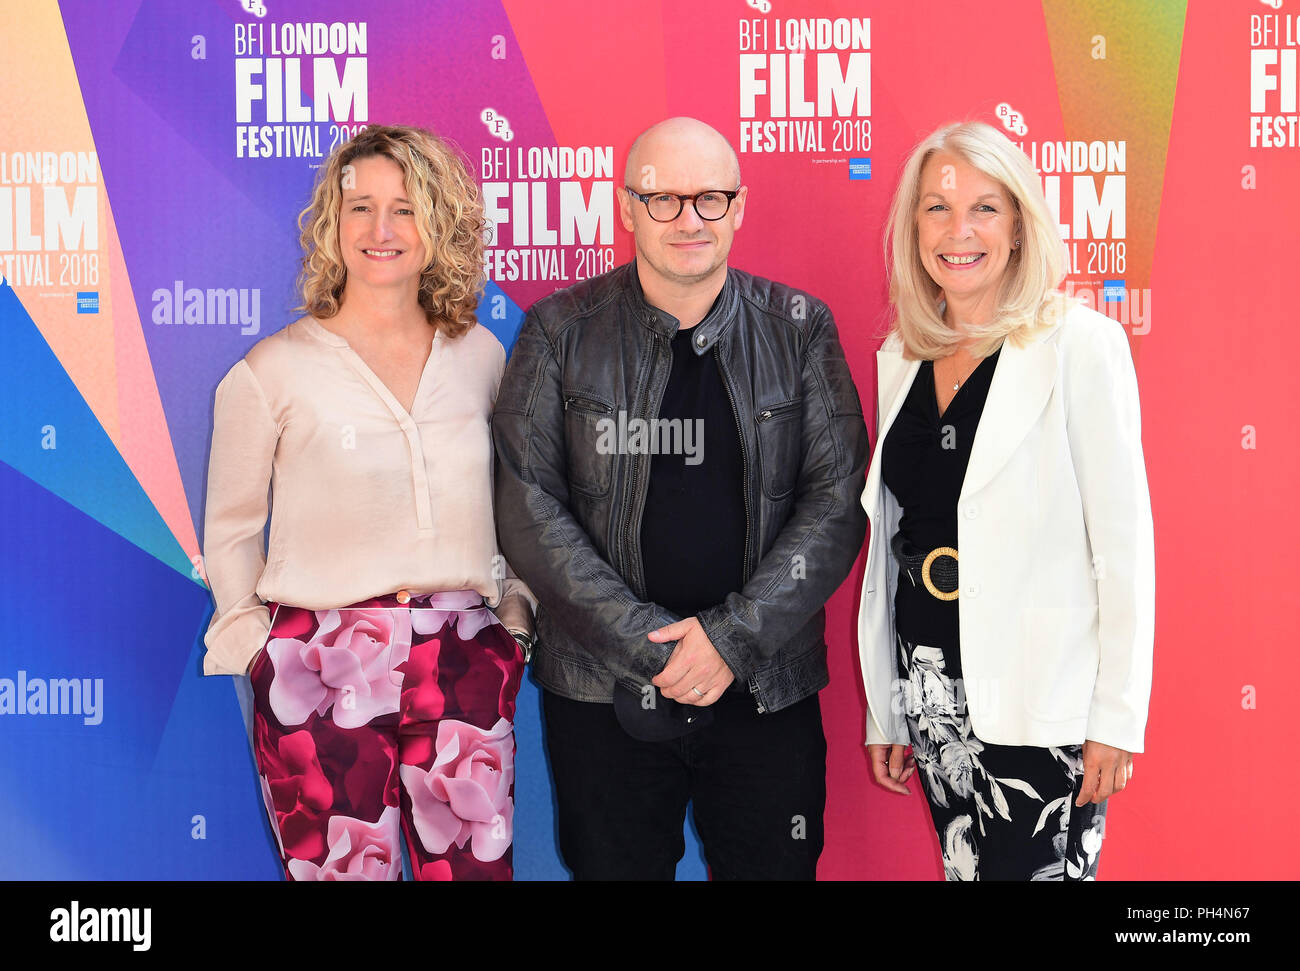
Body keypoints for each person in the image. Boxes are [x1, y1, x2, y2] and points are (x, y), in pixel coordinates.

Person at [492, 117, 870, 880]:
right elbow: (527, 507)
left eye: (709, 198)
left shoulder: (800, 331)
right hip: (605, 691)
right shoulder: (560, 332)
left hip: (765, 688)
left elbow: (835, 503)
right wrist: (649, 646)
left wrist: (731, 639)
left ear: (739, 208)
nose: (688, 219)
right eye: (662, 198)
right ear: (627, 207)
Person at [201, 124, 535, 881]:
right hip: (319, 666)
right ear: (331, 221)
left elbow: (520, 501)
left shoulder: (482, 357)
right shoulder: (271, 371)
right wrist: (260, 649)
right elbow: (230, 528)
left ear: (440, 223)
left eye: (406, 208)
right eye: (360, 208)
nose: (380, 230)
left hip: (464, 654)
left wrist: (512, 616)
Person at [856, 120, 1154, 880]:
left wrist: (1117, 718)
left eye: (985, 208)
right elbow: (897, 541)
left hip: (1042, 704)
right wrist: (891, 705)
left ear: (1019, 224)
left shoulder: (1079, 345)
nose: (959, 231)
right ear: (913, 225)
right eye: (937, 208)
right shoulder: (901, 357)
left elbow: (1122, 547)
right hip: (932, 696)